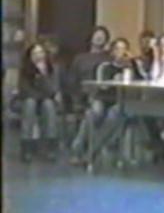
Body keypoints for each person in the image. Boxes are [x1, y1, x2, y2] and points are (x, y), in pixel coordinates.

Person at [70, 38, 138, 166]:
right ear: (112, 52)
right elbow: (102, 86)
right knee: (93, 114)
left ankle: (90, 153)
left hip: (121, 101)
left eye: (124, 49)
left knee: (114, 114)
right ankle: (77, 148)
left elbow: (141, 81)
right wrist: (113, 81)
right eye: (118, 49)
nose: (121, 52)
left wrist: (132, 64)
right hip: (103, 98)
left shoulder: (131, 67)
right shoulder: (105, 67)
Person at [19, 42, 61, 162]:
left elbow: (53, 89)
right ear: (30, 57)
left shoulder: (52, 69)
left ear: (45, 55)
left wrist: (43, 75)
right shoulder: (24, 71)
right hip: (30, 100)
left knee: (48, 105)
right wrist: (41, 95)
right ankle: (26, 147)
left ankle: (50, 146)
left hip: (46, 101)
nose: (38, 56)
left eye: (41, 52)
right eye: (35, 53)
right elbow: (25, 90)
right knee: (30, 103)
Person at [66, 26, 111, 112]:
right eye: (97, 35)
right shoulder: (80, 58)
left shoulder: (109, 59)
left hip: (103, 96)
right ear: (91, 37)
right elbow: (72, 80)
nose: (99, 37)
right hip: (83, 95)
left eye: (102, 36)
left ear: (106, 40)